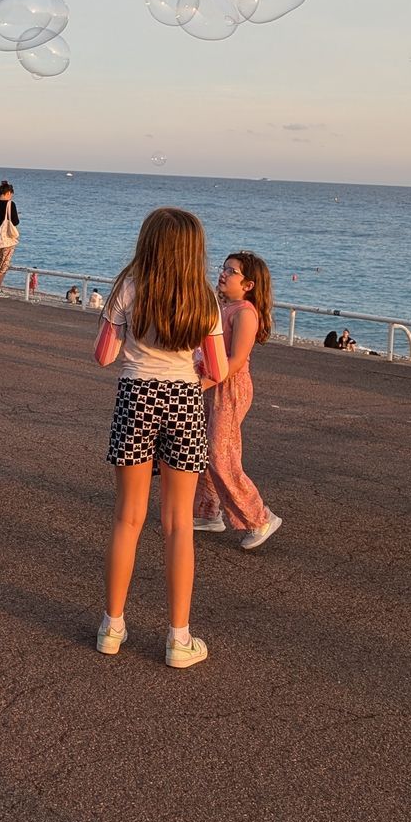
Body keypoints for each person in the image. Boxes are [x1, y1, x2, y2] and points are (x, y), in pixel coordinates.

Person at [95, 208, 229, 669]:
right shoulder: (205, 300)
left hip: (136, 396)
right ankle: (178, 638)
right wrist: (187, 373)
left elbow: (104, 355)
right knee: (177, 524)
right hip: (184, 402)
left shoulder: (129, 289)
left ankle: (112, 627)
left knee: (127, 518)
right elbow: (219, 369)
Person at [193, 251, 282, 550]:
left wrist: (203, 381)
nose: (223, 273)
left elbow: (236, 360)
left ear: (248, 285)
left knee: (222, 456)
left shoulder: (245, 313)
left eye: (231, 271)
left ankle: (260, 518)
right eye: (224, 268)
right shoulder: (222, 307)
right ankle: (208, 513)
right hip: (212, 384)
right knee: (204, 450)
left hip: (229, 388)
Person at [0, 181, 21, 293]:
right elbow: (15, 222)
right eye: (11, 194)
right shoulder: (11, 204)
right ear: (8, 193)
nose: (11, 196)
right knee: (4, 264)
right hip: (6, 237)